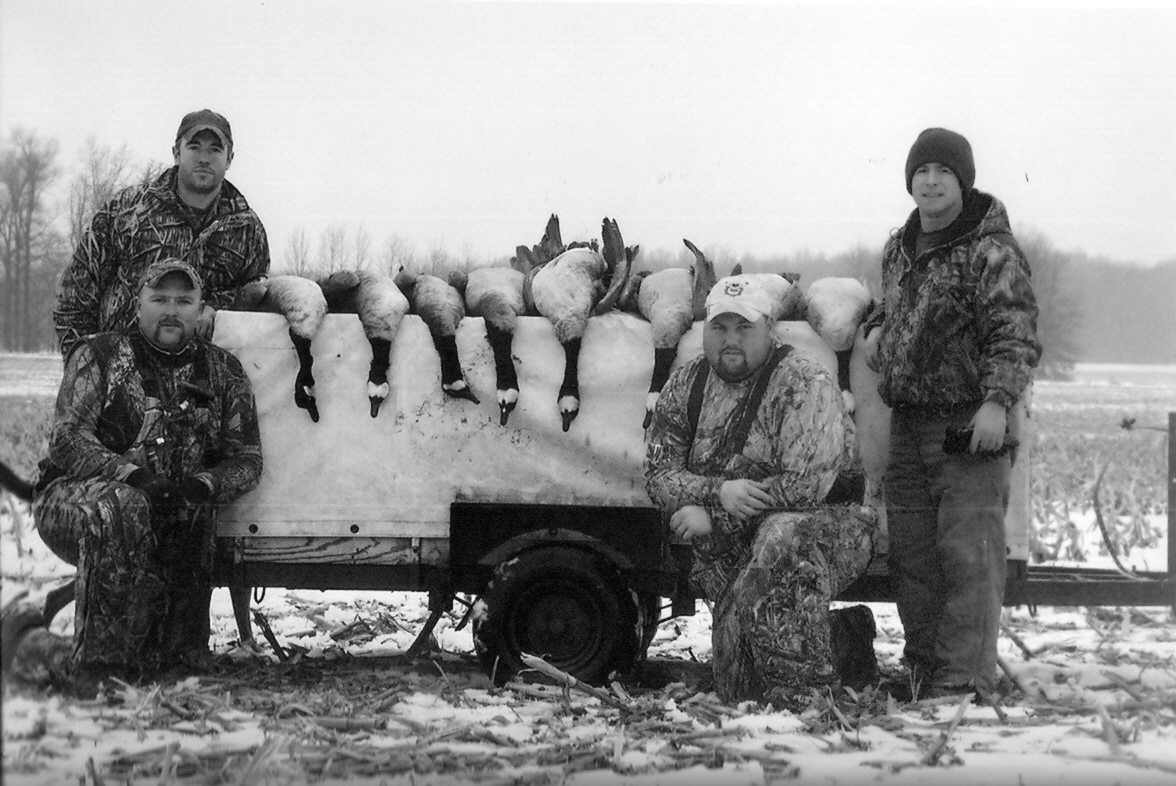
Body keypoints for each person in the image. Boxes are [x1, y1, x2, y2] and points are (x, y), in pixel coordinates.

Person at [4, 259, 263, 696]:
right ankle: (84, 663)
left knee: (169, 668)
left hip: (168, 511)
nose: (171, 311)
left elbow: (247, 459)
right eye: (159, 299)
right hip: (75, 501)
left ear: (201, 309)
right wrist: (134, 476)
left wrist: (201, 486)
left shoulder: (223, 371)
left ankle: (173, 650)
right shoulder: (100, 355)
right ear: (138, 304)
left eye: (184, 301)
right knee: (123, 507)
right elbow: (67, 440)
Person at [862, 128, 1041, 699]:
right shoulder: (900, 247)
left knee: (969, 559)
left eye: (944, 171)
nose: (932, 181)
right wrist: (876, 330)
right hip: (909, 425)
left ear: (963, 182)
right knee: (913, 559)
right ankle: (926, 673)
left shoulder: (991, 250)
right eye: (922, 171)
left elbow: (1015, 332)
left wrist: (995, 404)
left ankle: (963, 685)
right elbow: (899, 309)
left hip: (968, 425)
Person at [645, 275, 878, 706]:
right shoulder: (686, 383)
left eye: (744, 327)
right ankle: (846, 635)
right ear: (705, 329)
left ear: (768, 328)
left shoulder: (803, 380)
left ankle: (804, 697)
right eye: (720, 327)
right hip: (738, 538)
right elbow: (658, 475)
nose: (730, 339)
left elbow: (806, 486)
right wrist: (718, 492)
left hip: (830, 526)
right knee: (738, 685)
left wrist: (714, 515)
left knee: (781, 539)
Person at [55, 108, 270, 358]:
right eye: (194, 147)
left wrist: (217, 307)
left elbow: (256, 300)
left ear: (229, 158)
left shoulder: (247, 228)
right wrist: (83, 365)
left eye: (215, 149)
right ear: (176, 153)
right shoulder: (126, 210)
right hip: (119, 369)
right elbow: (74, 298)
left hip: (205, 375)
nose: (204, 158)